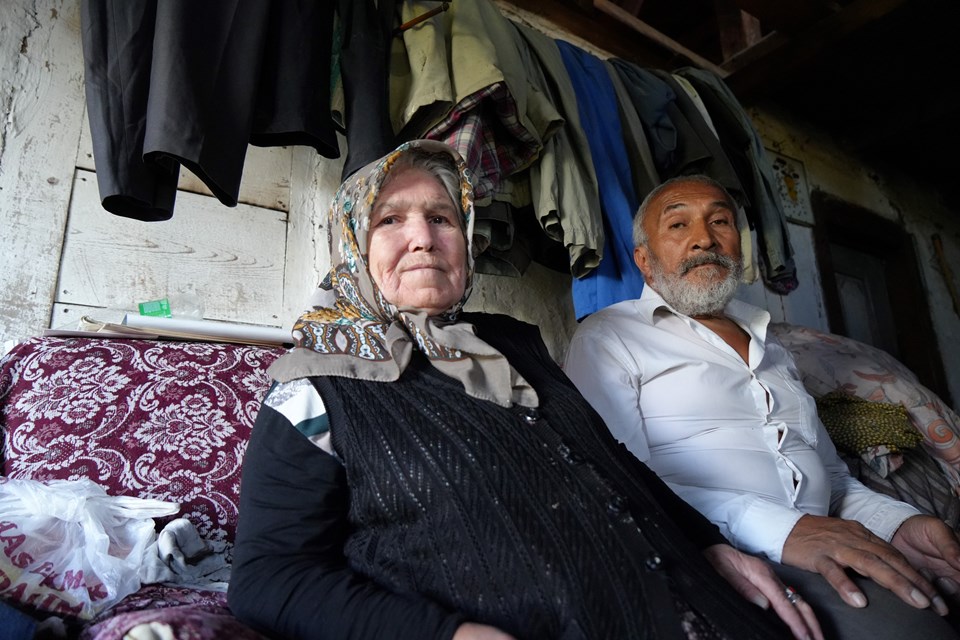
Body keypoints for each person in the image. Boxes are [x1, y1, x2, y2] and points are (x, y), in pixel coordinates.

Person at [228, 142, 822, 640]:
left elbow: (612, 463)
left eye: (442, 218)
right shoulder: (314, 389)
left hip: (699, 607)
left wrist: (710, 544)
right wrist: (448, 636)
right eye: (390, 220)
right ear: (351, 242)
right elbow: (268, 577)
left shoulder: (513, 344)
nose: (424, 239)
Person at [564, 174, 960, 639]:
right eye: (678, 225)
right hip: (713, 553)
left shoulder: (776, 351)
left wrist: (899, 523)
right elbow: (620, 478)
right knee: (915, 632)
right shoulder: (609, 337)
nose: (704, 239)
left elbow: (832, 481)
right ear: (644, 261)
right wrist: (786, 530)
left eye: (720, 221)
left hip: (821, 539)